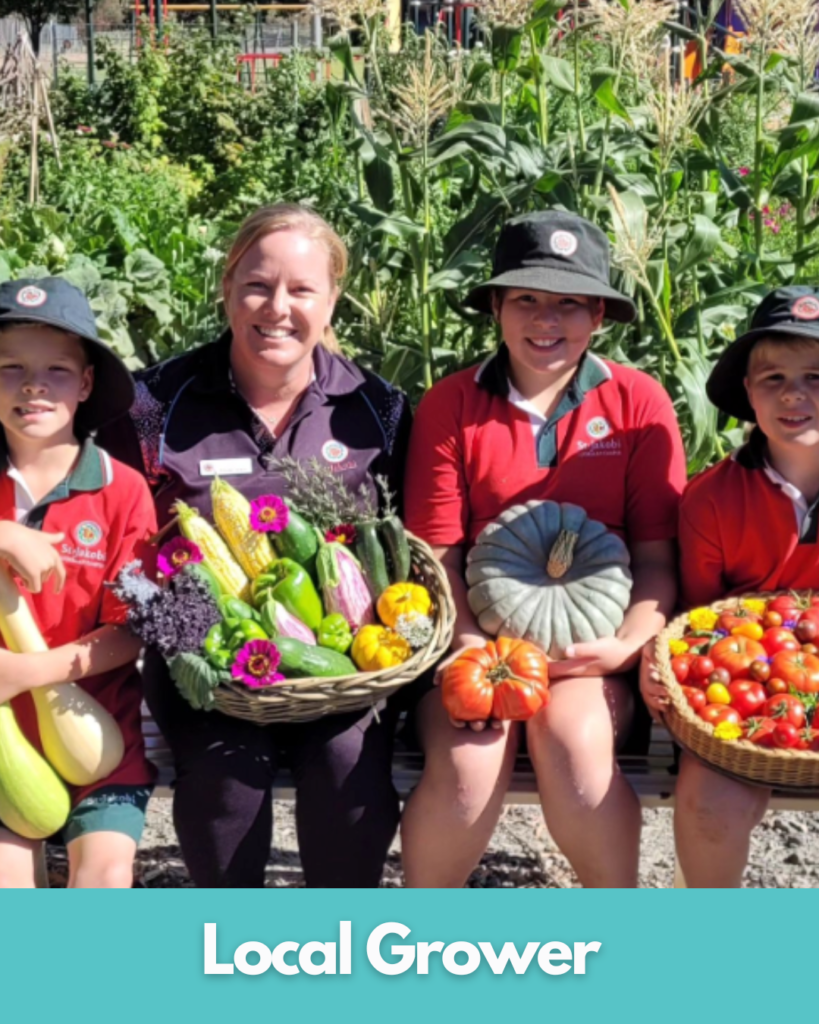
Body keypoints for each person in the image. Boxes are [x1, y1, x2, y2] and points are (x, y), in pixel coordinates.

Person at [98, 204, 412, 888]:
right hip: (205, 658)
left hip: (340, 662)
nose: (278, 308)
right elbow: (122, 541)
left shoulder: (376, 409)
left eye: (302, 290)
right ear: (226, 287)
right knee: (224, 777)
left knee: (347, 765)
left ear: (332, 300)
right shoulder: (155, 405)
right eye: (257, 285)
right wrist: (174, 625)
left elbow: (399, 547)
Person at [401, 210, 687, 888]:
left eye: (567, 303)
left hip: (594, 651)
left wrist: (626, 644)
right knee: (469, 766)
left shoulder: (638, 403)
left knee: (573, 748)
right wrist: (469, 645)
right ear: (497, 308)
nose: (545, 320)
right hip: (473, 643)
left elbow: (653, 558)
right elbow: (437, 557)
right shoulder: (451, 405)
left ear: (597, 316)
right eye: (525, 299)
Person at [641, 286, 819, 887]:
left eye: (816, 376)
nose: (795, 394)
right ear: (747, 392)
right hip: (748, 706)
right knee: (709, 807)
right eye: (773, 378)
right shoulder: (712, 499)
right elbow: (698, 621)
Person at [0, 277, 157, 888]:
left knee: (103, 884)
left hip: (102, 745)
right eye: (10, 366)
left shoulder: (122, 491)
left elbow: (131, 632)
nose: (33, 384)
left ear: (86, 383)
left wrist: (27, 673)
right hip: (7, 753)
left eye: (57, 370)